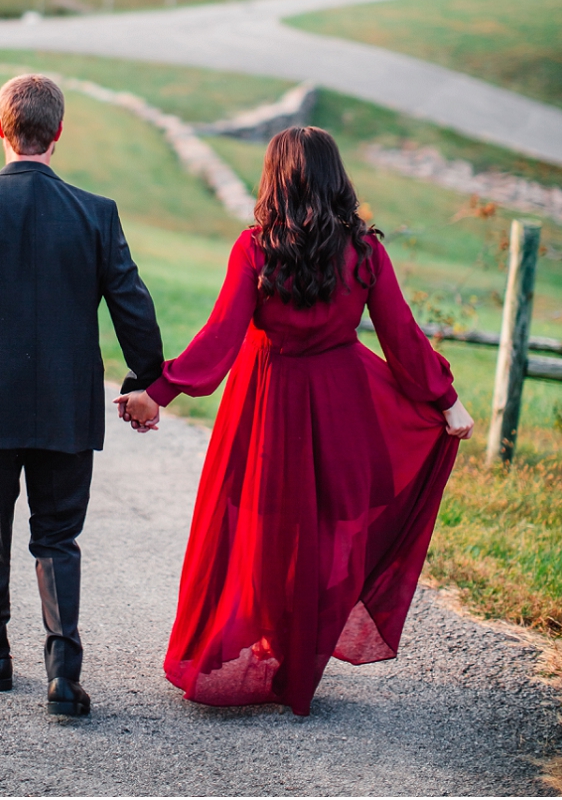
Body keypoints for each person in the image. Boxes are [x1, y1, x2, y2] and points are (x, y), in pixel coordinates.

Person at [116, 125, 473, 718]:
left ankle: (264, 647)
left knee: (257, 525)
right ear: (337, 178)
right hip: (340, 404)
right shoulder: (366, 252)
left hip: (267, 402)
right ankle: (298, 658)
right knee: (327, 529)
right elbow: (404, 340)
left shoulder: (256, 247)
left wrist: (160, 392)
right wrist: (446, 401)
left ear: (275, 177)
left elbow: (221, 338)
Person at [0, 73, 163, 717]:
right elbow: (132, 304)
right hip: (67, 405)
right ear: (58, 133)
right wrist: (146, 380)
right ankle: (62, 674)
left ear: (1, 128)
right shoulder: (95, 213)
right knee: (58, 537)